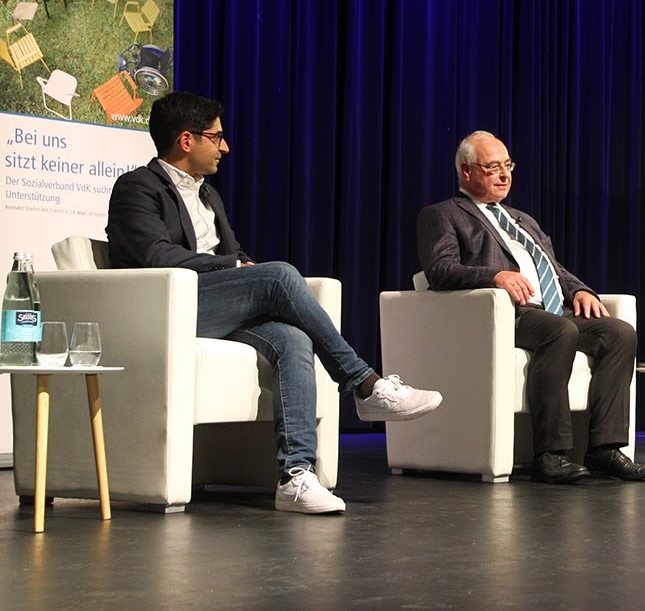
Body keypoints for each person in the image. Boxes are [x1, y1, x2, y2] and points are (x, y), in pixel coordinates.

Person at [106, 91, 444, 513]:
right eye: (217, 137)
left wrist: (239, 264)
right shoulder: (137, 186)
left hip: (211, 304)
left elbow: (230, 251)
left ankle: (295, 476)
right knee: (280, 274)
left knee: (292, 339)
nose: (224, 147)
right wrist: (237, 267)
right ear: (187, 140)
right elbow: (156, 256)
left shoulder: (209, 196)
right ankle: (364, 383)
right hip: (165, 308)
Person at [416, 130, 645, 484]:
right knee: (560, 330)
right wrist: (495, 275)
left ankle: (604, 449)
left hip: (553, 309)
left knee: (618, 332)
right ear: (467, 172)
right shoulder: (443, 214)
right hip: (503, 313)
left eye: (508, 165)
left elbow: (554, 268)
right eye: (493, 167)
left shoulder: (522, 219)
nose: (504, 175)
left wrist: (580, 290)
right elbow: (439, 270)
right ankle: (551, 454)